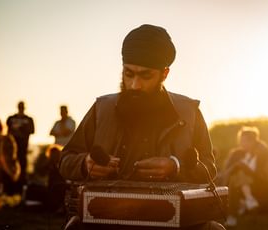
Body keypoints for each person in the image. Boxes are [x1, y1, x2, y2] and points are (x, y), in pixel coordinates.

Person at [59, 24, 225, 230]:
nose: (135, 84)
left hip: (171, 221)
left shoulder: (189, 112)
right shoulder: (101, 109)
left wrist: (176, 166)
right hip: (107, 219)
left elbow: (208, 166)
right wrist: (87, 164)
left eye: (145, 76)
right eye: (129, 74)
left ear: (164, 74)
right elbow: (66, 160)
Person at [222, 126, 268, 227]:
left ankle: (233, 214)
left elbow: (260, 172)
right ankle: (248, 200)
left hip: (257, 184)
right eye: (241, 141)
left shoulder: (261, 152)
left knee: (238, 174)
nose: (241, 144)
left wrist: (242, 167)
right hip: (239, 185)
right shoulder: (238, 153)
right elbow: (227, 168)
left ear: (253, 141)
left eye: (245, 141)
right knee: (234, 178)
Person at [7, 101, 35, 193]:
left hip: (23, 148)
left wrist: (20, 129)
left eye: (22, 107)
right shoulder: (11, 118)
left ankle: (21, 188)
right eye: (20, 107)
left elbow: (32, 130)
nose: (21, 108)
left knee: (22, 167)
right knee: (11, 167)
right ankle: (11, 188)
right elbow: (7, 131)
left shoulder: (29, 119)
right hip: (11, 149)